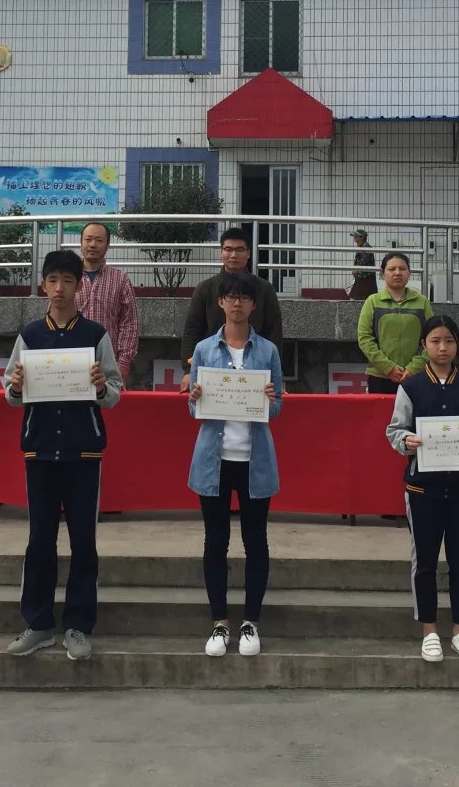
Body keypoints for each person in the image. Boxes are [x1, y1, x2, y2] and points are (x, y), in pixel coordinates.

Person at [3, 250, 123, 662]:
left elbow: (115, 394)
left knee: (83, 540)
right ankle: (38, 624)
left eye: (67, 280)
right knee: (40, 539)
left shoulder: (95, 335)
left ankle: (77, 626)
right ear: (43, 285)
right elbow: (10, 395)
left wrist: (101, 386)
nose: (59, 288)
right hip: (39, 449)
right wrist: (16, 386)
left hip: (83, 450)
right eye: (52, 280)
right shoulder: (30, 336)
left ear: (79, 285)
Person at [385, 315, 459, 663]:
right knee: (424, 561)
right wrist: (407, 440)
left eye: (449, 341)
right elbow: (394, 430)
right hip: (423, 489)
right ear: (424, 345)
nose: (442, 347)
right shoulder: (411, 388)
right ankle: (430, 630)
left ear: (456, 346)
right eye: (435, 341)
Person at [186, 272, 284, 658]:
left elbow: (277, 406)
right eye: (231, 297)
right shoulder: (204, 349)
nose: (237, 303)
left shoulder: (268, 351)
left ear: (254, 304)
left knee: (255, 541)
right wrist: (195, 396)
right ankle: (220, 621)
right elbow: (194, 407)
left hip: (254, 459)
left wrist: (270, 399)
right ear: (221, 303)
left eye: (244, 297)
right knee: (216, 541)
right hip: (214, 458)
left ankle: (250, 622)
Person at [180, 227, 282, 390]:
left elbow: (274, 332)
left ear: (248, 253)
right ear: (221, 253)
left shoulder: (264, 289)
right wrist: (188, 370)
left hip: (255, 368)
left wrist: (275, 376)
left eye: (239, 250)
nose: (233, 255)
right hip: (212, 367)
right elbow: (192, 330)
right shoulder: (206, 288)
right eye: (228, 249)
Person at [356, 251, 433, 395]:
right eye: (392, 269)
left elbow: (432, 338)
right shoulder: (372, 301)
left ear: (409, 273)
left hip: (416, 376)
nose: (397, 273)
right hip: (380, 377)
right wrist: (388, 368)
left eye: (402, 268)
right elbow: (365, 338)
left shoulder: (422, 302)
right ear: (382, 273)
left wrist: (414, 368)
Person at [74, 222, 139, 387]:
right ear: (81, 243)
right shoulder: (69, 278)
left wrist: (123, 363)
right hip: (72, 362)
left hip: (109, 365)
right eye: (88, 239)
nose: (92, 244)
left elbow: (129, 323)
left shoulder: (120, 279)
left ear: (108, 245)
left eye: (99, 240)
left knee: (109, 403)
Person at [347, 229, 377, 300]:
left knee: (360, 296)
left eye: (356, 236)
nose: (354, 237)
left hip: (365, 277)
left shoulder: (366, 247)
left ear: (362, 237)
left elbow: (364, 260)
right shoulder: (362, 246)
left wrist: (356, 269)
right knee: (359, 296)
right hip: (363, 276)